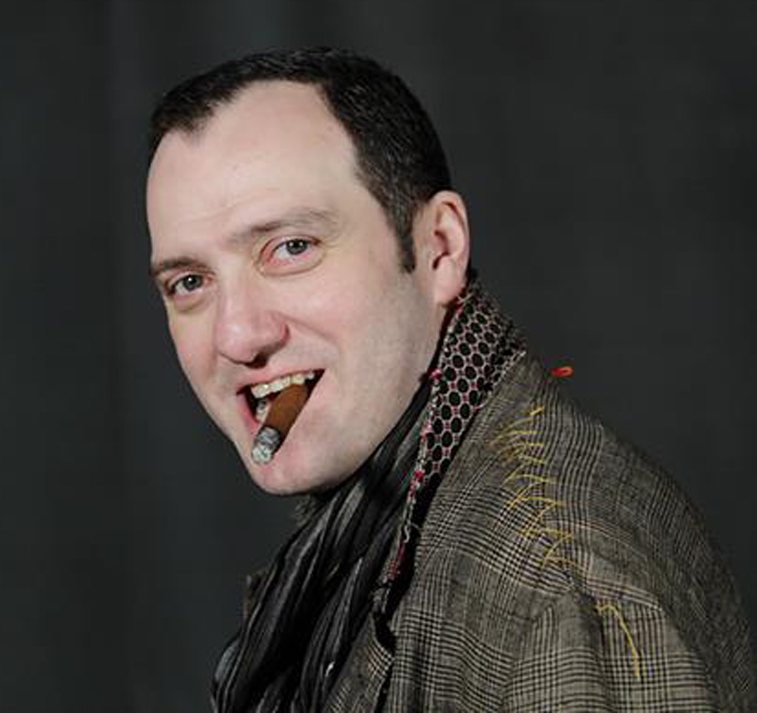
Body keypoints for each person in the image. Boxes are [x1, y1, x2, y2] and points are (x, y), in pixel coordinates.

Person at [144, 48, 754, 711]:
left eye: (292, 248)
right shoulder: (383, 511)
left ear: (439, 248)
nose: (236, 336)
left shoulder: (552, 577)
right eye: (190, 282)